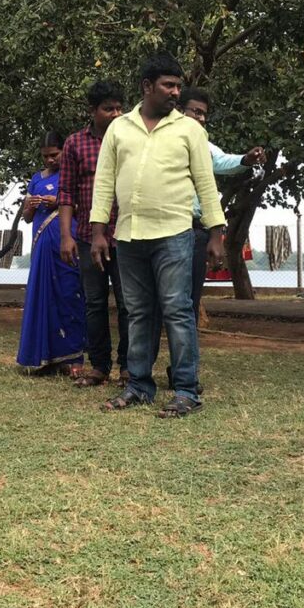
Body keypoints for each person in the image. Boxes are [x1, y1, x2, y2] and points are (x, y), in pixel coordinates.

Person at [90, 53, 226, 417]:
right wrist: (98, 231)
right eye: (169, 85)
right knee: (136, 312)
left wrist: (216, 233)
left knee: (178, 311)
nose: (176, 92)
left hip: (175, 234)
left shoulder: (191, 130)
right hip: (129, 236)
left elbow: (205, 183)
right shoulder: (119, 128)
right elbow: (104, 183)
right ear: (147, 87)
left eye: (178, 86)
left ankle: (185, 390)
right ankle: (138, 386)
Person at [162, 86, 266, 390]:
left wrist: (246, 159)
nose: (201, 119)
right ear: (178, 110)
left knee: (188, 305)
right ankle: (135, 372)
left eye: (205, 115)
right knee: (152, 305)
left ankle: (183, 373)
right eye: (196, 111)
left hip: (193, 232)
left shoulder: (204, 144)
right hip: (160, 229)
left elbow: (222, 162)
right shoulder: (158, 138)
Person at [58, 81, 130, 388]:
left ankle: (129, 366)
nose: (115, 114)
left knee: (130, 303)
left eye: (119, 107)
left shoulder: (132, 139)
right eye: (108, 108)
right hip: (88, 237)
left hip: (128, 236)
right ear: (92, 111)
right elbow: (66, 192)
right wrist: (66, 236)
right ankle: (99, 366)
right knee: (95, 302)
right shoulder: (75, 143)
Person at [16, 130, 86, 373]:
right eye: (45, 156)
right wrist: (32, 206)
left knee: (69, 294)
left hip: (68, 242)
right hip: (42, 246)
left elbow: (85, 208)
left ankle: (73, 358)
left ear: (64, 151)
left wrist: (59, 203)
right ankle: (44, 357)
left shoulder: (74, 176)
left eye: (54, 155)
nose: (50, 160)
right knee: (42, 297)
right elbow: (26, 218)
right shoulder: (36, 179)